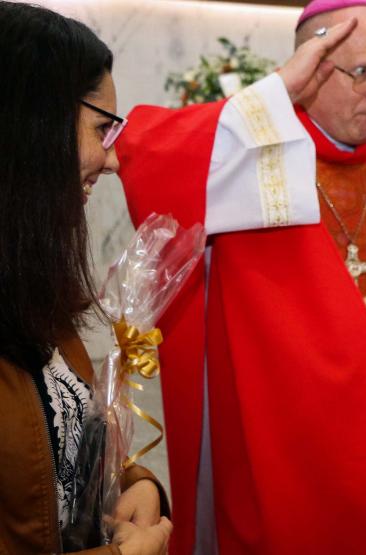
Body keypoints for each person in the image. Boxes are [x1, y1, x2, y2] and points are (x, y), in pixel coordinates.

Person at [114, 1, 366, 553]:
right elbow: (143, 148)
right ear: (310, 68)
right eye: (362, 74)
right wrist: (274, 91)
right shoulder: (251, 159)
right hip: (274, 428)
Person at [0, 3, 172, 554]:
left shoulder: (24, 278)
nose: (113, 159)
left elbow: (59, 432)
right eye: (102, 127)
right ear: (32, 120)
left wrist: (132, 482)